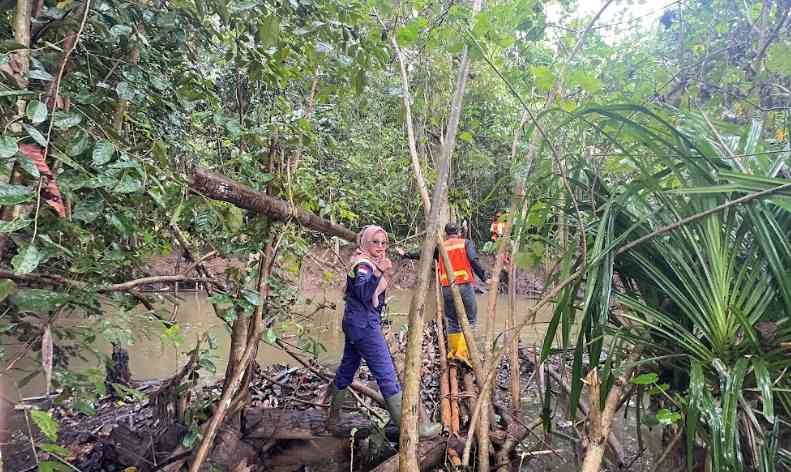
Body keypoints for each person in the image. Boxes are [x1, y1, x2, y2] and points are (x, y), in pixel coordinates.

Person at [327, 225, 441, 440]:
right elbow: (363, 292)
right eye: (375, 242)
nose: (380, 247)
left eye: (383, 243)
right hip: (364, 326)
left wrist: (382, 270)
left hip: (354, 322)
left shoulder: (366, 262)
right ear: (365, 242)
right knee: (387, 375)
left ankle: (332, 419)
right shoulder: (364, 265)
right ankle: (412, 432)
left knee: (348, 367)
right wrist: (380, 271)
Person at [400, 223, 487, 367]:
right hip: (464, 285)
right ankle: (463, 353)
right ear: (458, 232)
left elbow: (423, 254)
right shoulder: (465, 243)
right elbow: (473, 260)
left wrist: (406, 254)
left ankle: (453, 351)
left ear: (446, 234)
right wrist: (484, 277)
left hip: (446, 287)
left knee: (452, 320)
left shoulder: (441, 247)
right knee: (470, 319)